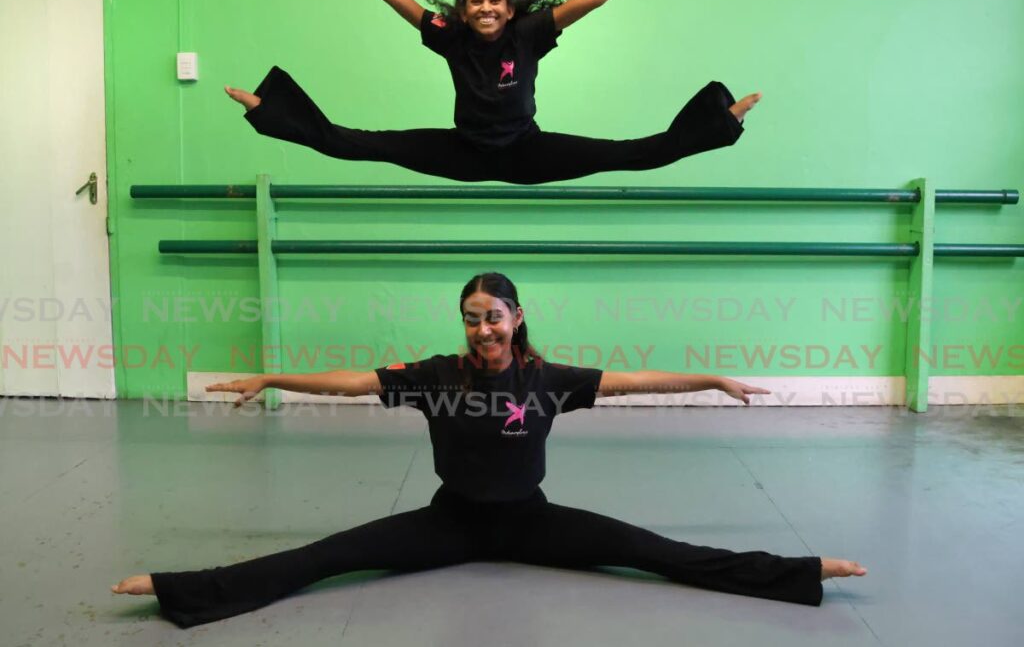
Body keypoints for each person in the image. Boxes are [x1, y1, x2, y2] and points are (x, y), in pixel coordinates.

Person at [112, 272, 866, 628]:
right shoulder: (436, 377)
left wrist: (710, 380)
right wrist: (275, 374)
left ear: (517, 317)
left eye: (494, 316)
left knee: (658, 552)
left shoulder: (548, 379)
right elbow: (352, 382)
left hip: (533, 521)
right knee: (325, 557)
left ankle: (801, 573)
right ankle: (181, 589)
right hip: (450, 521)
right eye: (472, 318)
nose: (483, 328)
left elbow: (634, 380)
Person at [224, 0, 762, 184]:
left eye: (495, 1)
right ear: (464, 9)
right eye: (476, 1)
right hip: (462, 151)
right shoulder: (449, 36)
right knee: (356, 142)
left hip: (527, 150)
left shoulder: (530, 34)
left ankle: (722, 119)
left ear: (510, 9)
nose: (486, 8)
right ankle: (267, 108)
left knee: (635, 155)